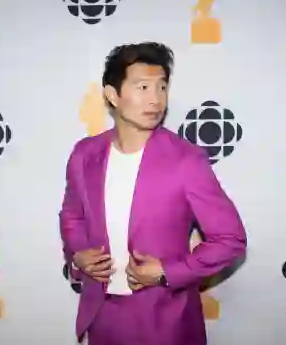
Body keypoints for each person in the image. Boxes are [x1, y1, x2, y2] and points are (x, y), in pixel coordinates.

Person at [59, 41, 247, 345]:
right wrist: (79, 255)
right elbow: (72, 215)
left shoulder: (186, 161)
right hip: (102, 317)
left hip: (167, 320)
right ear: (112, 95)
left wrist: (167, 271)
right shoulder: (84, 155)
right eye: (142, 87)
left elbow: (231, 239)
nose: (155, 99)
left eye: (161, 87)